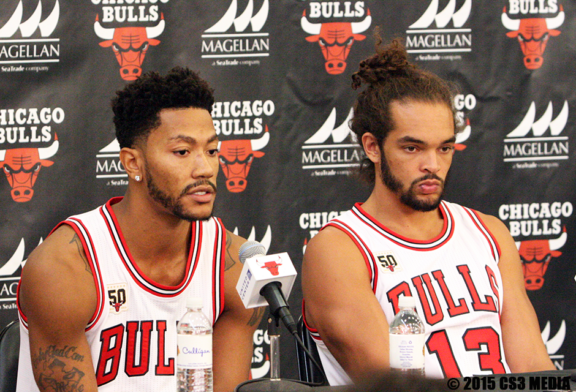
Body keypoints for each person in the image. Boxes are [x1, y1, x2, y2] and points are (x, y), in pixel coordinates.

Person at [301, 38, 554, 385]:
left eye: (445, 147)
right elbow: (389, 385)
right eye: (412, 148)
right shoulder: (338, 250)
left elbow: (534, 371)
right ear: (373, 147)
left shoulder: (489, 232)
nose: (433, 165)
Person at [16, 67, 263, 392]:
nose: (205, 168)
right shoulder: (64, 268)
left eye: (212, 151)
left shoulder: (233, 265)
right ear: (133, 163)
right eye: (182, 152)